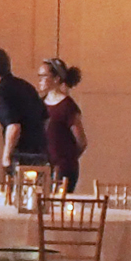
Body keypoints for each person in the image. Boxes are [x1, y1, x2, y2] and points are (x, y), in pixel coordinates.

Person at [0, 47, 49, 173]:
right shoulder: (25, 85)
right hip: (40, 152)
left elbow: (13, 126)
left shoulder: (1, 91)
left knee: (17, 185)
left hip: (21, 155)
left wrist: (6, 157)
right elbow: (45, 117)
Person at [39, 57, 86, 190]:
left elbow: (81, 141)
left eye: (44, 76)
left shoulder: (67, 106)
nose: (40, 80)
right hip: (43, 167)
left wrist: (67, 159)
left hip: (63, 169)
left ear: (56, 79)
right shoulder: (39, 104)